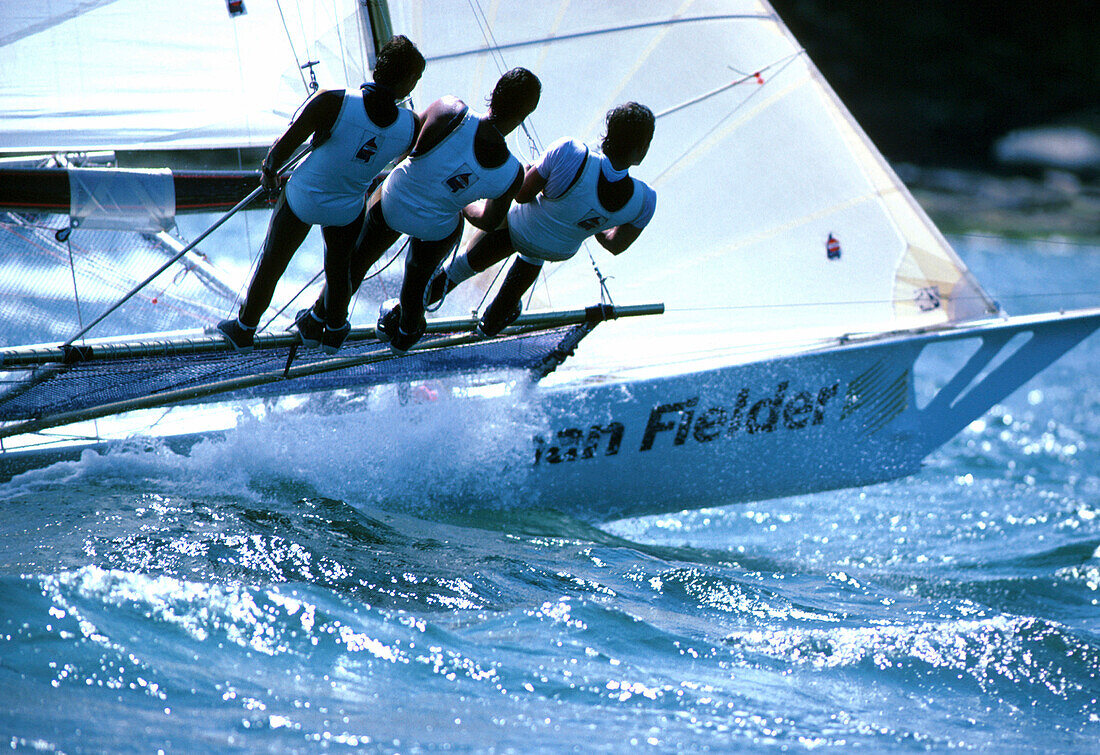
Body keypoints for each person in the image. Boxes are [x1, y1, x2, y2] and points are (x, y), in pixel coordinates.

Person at [304, 67, 541, 354]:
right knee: (417, 279)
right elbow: (489, 222)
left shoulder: (449, 109)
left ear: (494, 92)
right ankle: (406, 333)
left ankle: (319, 318)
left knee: (356, 262)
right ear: (526, 114)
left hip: (394, 203)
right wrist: (461, 202)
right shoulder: (512, 172)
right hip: (436, 226)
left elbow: (407, 150)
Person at [216, 35, 425, 354]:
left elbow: (281, 150)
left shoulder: (332, 101)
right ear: (408, 79)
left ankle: (244, 329)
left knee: (273, 263)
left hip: (304, 198)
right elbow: (399, 160)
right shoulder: (411, 125)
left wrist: (269, 174)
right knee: (339, 269)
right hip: (347, 207)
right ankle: (334, 330)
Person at [427, 103, 657, 337]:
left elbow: (522, 195)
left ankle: (412, 307)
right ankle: (497, 315)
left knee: (467, 263)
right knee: (539, 242)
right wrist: (595, 220)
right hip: (559, 250)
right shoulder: (646, 200)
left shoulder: (571, 151)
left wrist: (529, 174)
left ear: (607, 134)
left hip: (521, 228)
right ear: (641, 150)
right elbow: (615, 245)